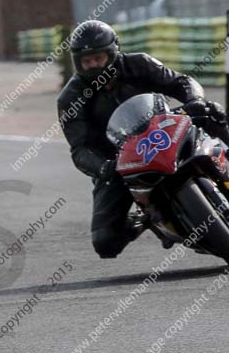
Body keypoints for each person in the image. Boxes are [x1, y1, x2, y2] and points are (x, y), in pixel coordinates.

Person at [58, 20, 229, 259]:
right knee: (105, 242)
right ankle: (146, 219)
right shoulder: (71, 98)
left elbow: (182, 82)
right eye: (87, 61)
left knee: (214, 112)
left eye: (98, 58)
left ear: (113, 52)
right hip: (120, 162)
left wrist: (194, 100)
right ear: (77, 62)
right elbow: (80, 148)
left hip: (164, 131)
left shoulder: (139, 64)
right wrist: (102, 167)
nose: (93, 65)